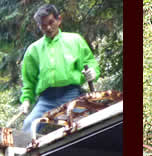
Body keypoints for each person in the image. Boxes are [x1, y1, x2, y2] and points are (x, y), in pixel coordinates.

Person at [18, 4, 100, 135]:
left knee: (87, 123)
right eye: (44, 25)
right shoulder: (33, 50)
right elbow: (29, 81)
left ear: (59, 19)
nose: (48, 28)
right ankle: (29, 155)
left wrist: (93, 72)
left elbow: (90, 62)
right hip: (46, 99)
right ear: (40, 26)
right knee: (29, 126)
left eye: (51, 22)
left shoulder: (74, 40)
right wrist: (26, 100)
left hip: (71, 94)